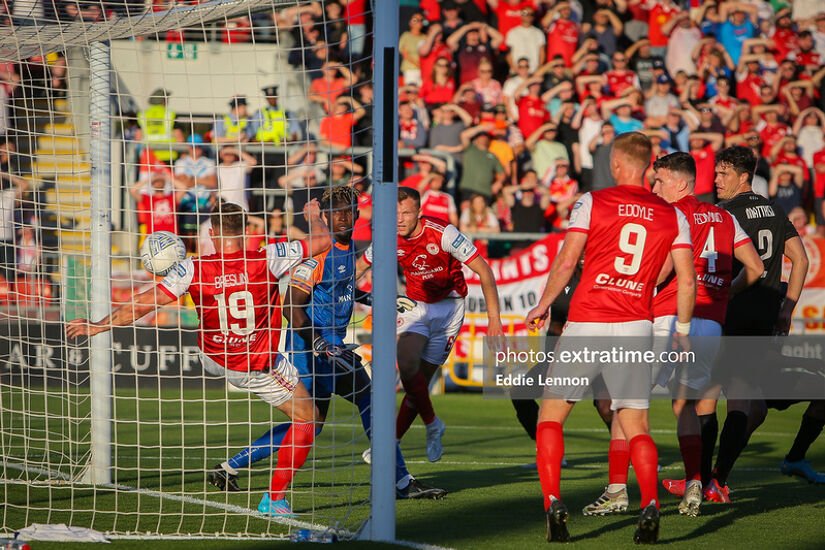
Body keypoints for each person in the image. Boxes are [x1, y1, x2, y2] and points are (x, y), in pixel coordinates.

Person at [67, 200, 332, 517]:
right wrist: (315, 217)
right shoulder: (269, 257)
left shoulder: (191, 268)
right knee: (308, 417)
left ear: (212, 232)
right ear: (247, 230)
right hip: (252, 362)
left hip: (213, 356)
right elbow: (324, 241)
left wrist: (98, 326)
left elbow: (142, 303)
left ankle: (244, 468)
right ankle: (274, 500)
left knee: (286, 398)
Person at [208, 187, 447, 500]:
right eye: (336, 212)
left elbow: (339, 289)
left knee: (312, 423)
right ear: (325, 216)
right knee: (370, 400)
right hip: (313, 351)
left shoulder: (347, 248)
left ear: (358, 215)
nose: (344, 218)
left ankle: (229, 467)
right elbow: (290, 306)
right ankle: (400, 482)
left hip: (329, 348)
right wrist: (319, 343)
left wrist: (373, 298)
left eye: (349, 212)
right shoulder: (318, 253)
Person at [525, 132, 696, 544]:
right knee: (636, 424)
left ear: (617, 164)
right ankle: (651, 503)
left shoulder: (591, 201)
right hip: (636, 325)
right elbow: (686, 280)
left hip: (586, 322)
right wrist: (684, 332)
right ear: (648, 168)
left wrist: (543, 304)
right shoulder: (673, 215)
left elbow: (567, 261)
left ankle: (553, 502)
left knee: (551, 415)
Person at [583, 153, 761, 519]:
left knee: (625, 401)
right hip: (710, 325)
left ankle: (617, 490)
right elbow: (756, 267)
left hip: (670, 320)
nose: (654, 188)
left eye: (660, 180)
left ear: (681, 183)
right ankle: (695, 484)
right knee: (686, 405)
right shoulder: (725, 217)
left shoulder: (673, 215)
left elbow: (663, 270)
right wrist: (722, 295)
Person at [664, 146, 814, 501]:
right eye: (715, 173)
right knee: (750, 404)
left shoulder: (723, 213)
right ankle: (718, 479)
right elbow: (801, 260)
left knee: (706, 398)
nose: (715, 181)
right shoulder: (773, 209)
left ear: (744, 175)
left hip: (733, 313)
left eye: (723, 174)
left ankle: (699, 480)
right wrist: (787, 309)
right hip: (765, 313)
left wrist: (724, 295)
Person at [356, 187, 504, 463]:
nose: (399, 219)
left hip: (450, 308)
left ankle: (396, 439)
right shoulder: (388, 236)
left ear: (420, 213)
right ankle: (430, 424)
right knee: (408, 364)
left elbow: (484, 270)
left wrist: (494, 320)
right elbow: (359, 267)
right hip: (417, 308)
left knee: (418, 383)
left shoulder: (444, 233)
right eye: (394, 213)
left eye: (406, 213)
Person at [137, 88, 185, 163]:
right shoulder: (170, 114)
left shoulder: (142, 115)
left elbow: (138, 138)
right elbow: (179, 138)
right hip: (168, 156)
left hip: (148, 156)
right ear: (164, 101)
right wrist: (183, 152)